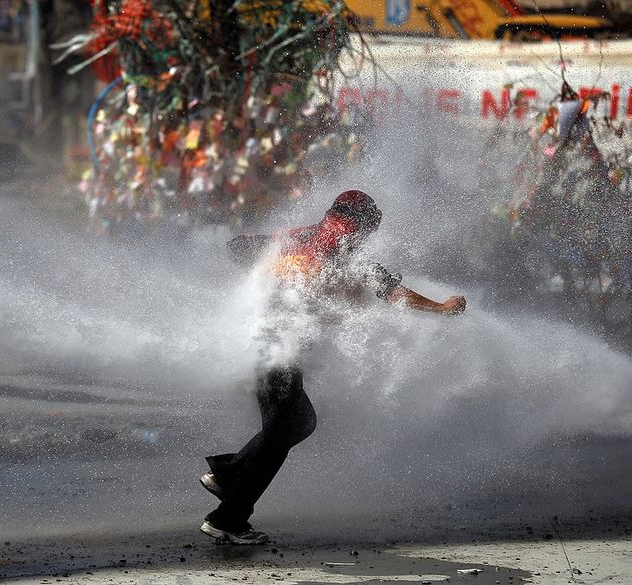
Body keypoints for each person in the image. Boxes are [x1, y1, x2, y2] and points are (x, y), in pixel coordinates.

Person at [199, 190, 466, 544]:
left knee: (300, 422)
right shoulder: (338, 245)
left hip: (266, 342)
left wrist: (275, 274)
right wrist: (442, 308)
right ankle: (227, 518)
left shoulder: (303, 235)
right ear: (360, 224)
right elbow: (385, 287)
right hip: (275, 346)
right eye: (367, 229)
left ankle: (229, 473)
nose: (363, 237)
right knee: (286, 428)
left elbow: (239, 246)